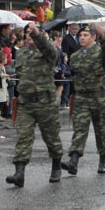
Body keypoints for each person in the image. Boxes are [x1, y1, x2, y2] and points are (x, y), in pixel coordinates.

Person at [6, 23, 64, 186]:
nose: (30, 38)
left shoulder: (48, 52)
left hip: (45, 102)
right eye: (27, 35)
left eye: (33, 35)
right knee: (23, 136)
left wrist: (38, 34)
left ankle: (56, 166)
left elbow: (50, 51)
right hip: (26, 102)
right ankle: (19, 173)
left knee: (51, 137)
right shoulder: (22, 53)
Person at [61, 25, 105, 176]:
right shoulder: (75, 56)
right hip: (82, 97)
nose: (82, 38)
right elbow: (72, 71)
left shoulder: (100, 52)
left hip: (98, 96)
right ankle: (73, 161)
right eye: (80, 35)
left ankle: (103, 160)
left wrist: (103, 35)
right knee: (79, 129)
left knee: (100, 129)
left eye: (85, 35)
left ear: (93, 37)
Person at [61, 23, 80, 107]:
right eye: (73, 29)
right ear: (70, 29)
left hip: (79, 63)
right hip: (71, 63)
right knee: (71, 84)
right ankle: (68, 101)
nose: (75, 31)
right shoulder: (66, 38)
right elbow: (65, 52)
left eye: (76, 29)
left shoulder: (80, 38)